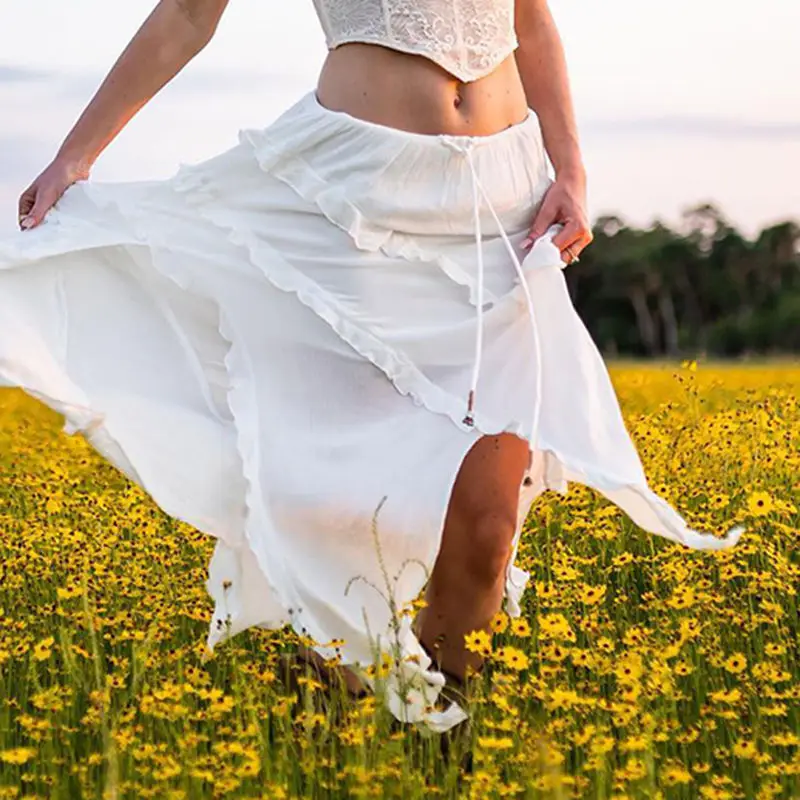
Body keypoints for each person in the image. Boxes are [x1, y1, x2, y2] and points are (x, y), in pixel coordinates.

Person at [0, 0, 743, 734]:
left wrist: (572, 169)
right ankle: (344, 713)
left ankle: (429, 734)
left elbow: (533, 21)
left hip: (502, 209)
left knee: (488, 529)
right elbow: (190, 13)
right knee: (331, 496)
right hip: (353, 202)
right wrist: (76, 153)